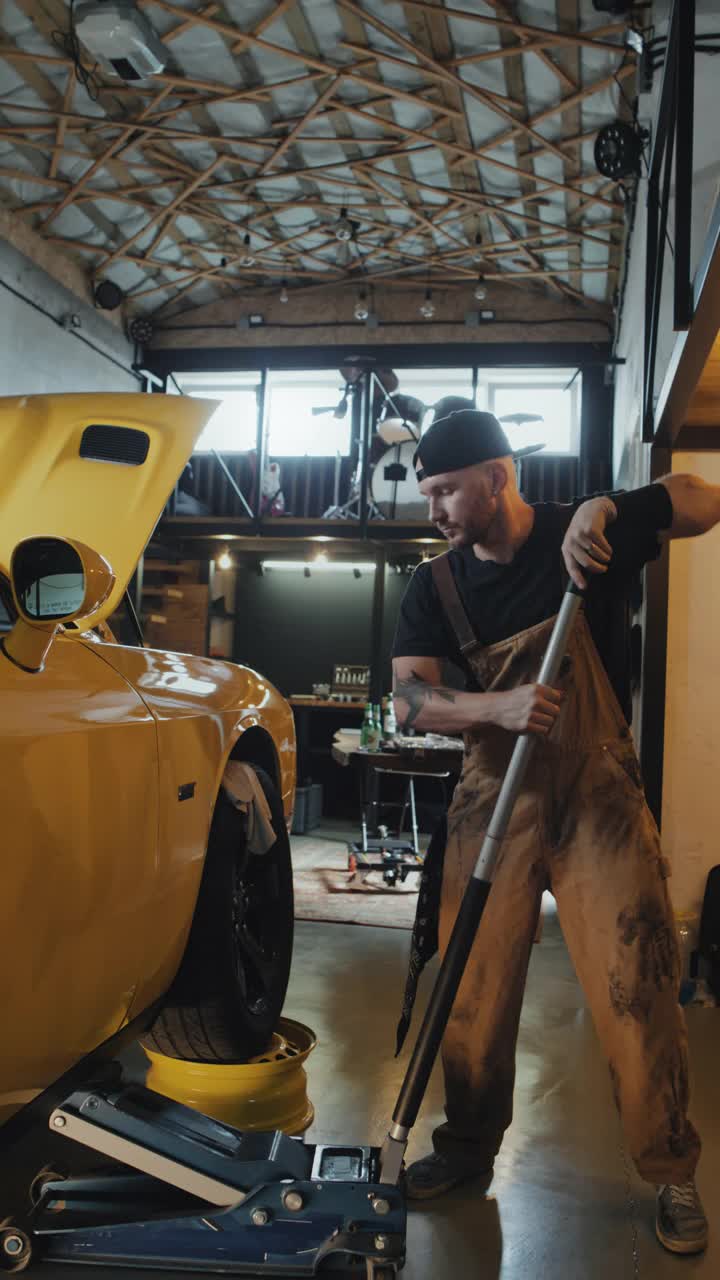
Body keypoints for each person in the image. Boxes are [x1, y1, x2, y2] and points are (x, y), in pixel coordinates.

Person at [391, 409, 715, 1255]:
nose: (435, 511)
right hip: (490, 799)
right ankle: (465, 1150)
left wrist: (611, 507)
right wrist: (492, 705)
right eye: (426, 493)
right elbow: (410, 699)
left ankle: (671, 1168)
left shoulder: (586, 533)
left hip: (596, 801)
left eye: (447, 491)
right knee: (472, 996)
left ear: (497, 477)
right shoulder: (437, 585)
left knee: (635, 985)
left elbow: (701, 497)